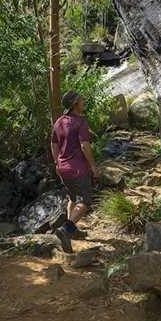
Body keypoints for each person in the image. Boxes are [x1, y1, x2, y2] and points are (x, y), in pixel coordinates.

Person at [50, 90, 99, 253]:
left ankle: (73, 232)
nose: (83, 102)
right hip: (78, 168)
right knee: (85, 200)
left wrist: (57, 163)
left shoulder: (58, 122)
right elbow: (85, 146)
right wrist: (93, 166)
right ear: (75, 105)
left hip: (63, 168)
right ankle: (67, 230)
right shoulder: (81, 122)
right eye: (81, 100)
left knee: (72, 197)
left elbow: (54, 145)